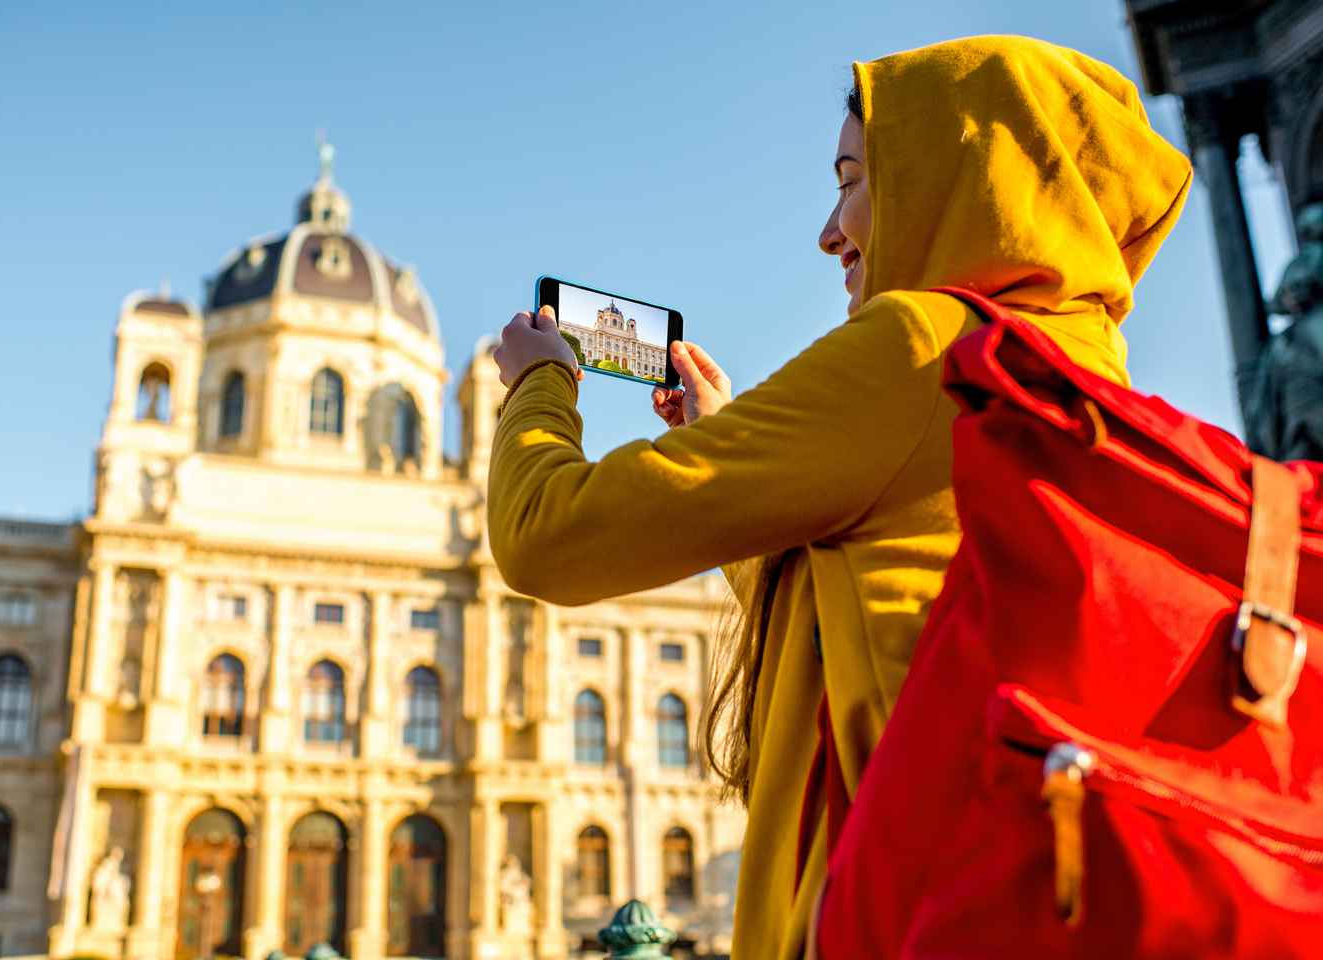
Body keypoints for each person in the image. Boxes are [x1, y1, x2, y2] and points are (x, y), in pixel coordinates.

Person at [488, 35, 1191, 959]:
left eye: (853, 177)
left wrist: (543, 385)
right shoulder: (1090, 379)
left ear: (955, 176)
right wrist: (720, 439)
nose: (829, 231)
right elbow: (855, 607)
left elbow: (547, 536)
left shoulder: (923, 349)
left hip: (887, 910)